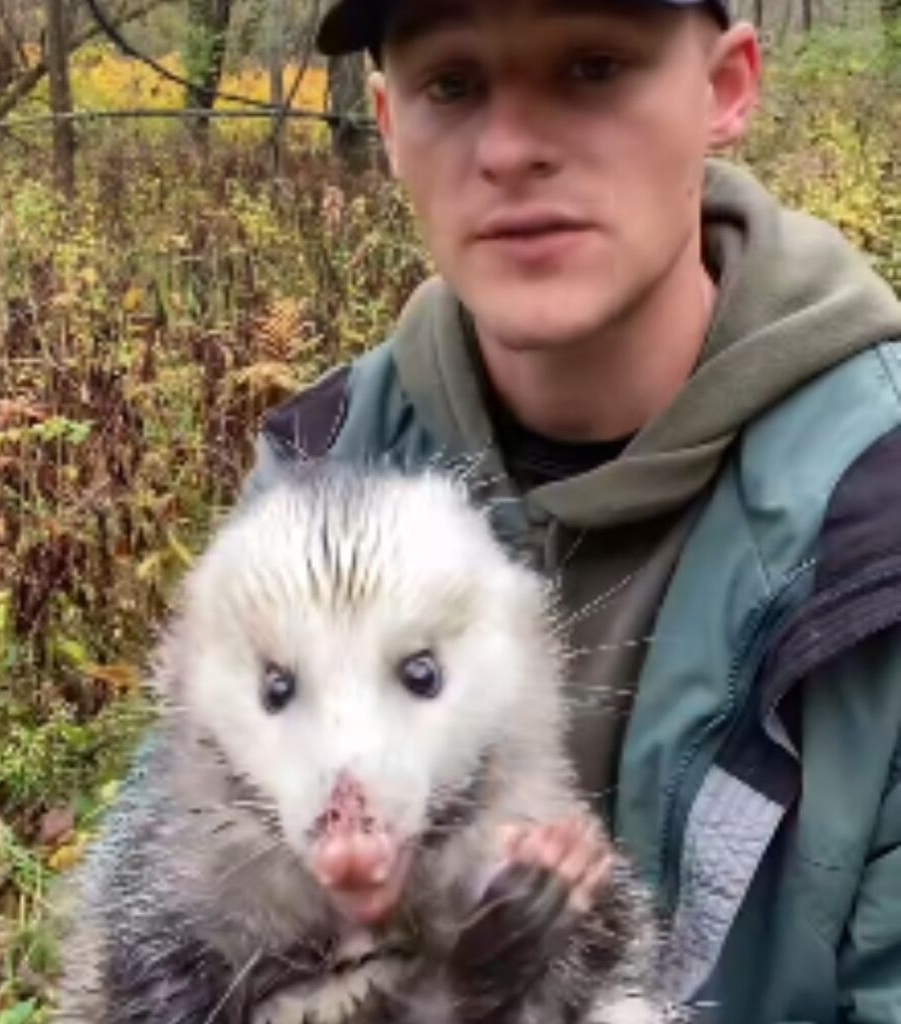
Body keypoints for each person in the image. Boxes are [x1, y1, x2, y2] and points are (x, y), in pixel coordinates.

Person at [245, 0, 901, 1019]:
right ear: (387, 124)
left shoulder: (877, 516)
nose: (509, 149)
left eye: (593, 67)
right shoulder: (315, 477)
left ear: (723, 89)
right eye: (452, 85)